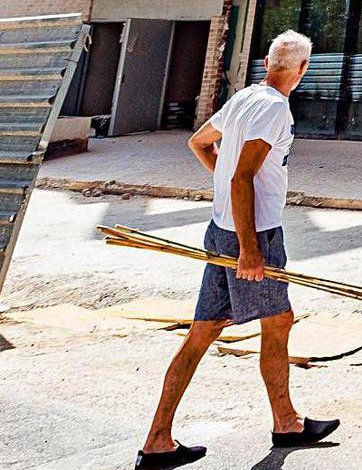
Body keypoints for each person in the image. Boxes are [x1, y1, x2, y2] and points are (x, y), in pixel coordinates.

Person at [135, 30, 339, 470]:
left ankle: (158, 440)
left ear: (267, 63)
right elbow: (242, 177)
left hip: (221, 229)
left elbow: (198, 141)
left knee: (204, 331)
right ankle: (286, 424)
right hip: (254, 234)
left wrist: (224, 183)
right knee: (278, 321)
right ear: (303, 69)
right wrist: (249, 248)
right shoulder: (275, 109)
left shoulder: (245, 98)